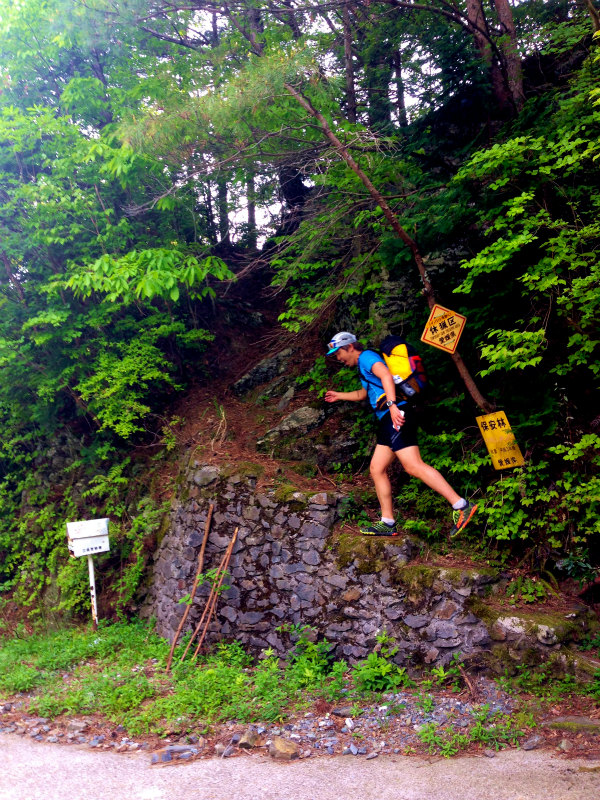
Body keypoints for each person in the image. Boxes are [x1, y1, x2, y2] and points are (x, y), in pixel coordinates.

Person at [324, 331, 477, 537]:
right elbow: (364, 393)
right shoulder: (363, 365)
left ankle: (461, 505)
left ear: (350, 347)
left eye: (338, 353)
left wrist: (393, 405)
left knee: (413, 465)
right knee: (377, 468)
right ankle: (387, 522)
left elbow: (386, 376)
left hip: (396, 414)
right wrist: (338, 395)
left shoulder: (368, 357)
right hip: (389, 418)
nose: (338, 358)